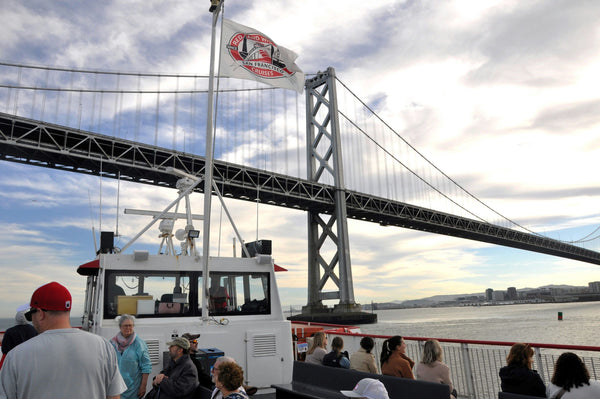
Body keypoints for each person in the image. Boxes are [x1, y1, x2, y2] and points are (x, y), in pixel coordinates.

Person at [0, 281, 127, 399]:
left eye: (31, 314)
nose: (31, 319)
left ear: (40, 313)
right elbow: (114, 396)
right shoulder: (104, 347)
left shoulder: (16, 357)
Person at [110, 314, 152, 399]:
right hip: (116, 388)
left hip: (133, 389)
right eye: (125, 325)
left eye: (130, 325)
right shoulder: (112, 343)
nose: (128, 328)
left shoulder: (139, 344)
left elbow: (146, 366)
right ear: (120, 327)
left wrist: (143, 386)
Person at [0, 305, 37, 370]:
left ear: (16, 318)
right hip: (31, 360)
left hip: (15, 361)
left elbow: (5, 349)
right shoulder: (34, 330)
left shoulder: (9, 331)